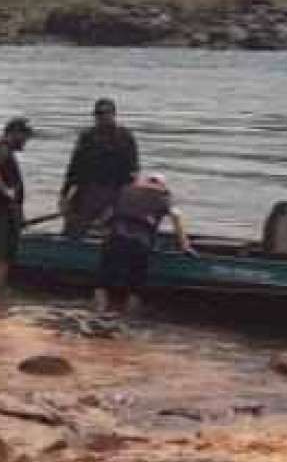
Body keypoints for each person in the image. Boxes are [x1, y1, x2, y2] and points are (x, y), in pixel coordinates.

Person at [96, 171, 192, 315]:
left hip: (114, 237)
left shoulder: (125, 190)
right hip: (140, 242)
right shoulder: (163, 196)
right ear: (162, 186)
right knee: (136, 280)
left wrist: (103, 230)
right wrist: (185, 246)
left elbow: (106, 215)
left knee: (105, 277)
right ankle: (130, 312)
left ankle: (99, 308)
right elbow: (176, 217)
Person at [60, 98, 140, 236]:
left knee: (110, 231)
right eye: (98, 114)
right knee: (73, 229)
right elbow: (74, 167)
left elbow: (132, 173)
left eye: (105, 114)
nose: (101, 118)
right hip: (86, 191)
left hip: (113, 191)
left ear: (113, 114)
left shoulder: (125, 137)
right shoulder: (87, 137)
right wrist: (64, 195)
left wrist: (121, 202)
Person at [0, 117, 36, 301]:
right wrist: (6, 191)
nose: (26, 141)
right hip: (0, 214)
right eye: (25, 136)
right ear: (14, 133)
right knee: (1, 259)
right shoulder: (2, 149)